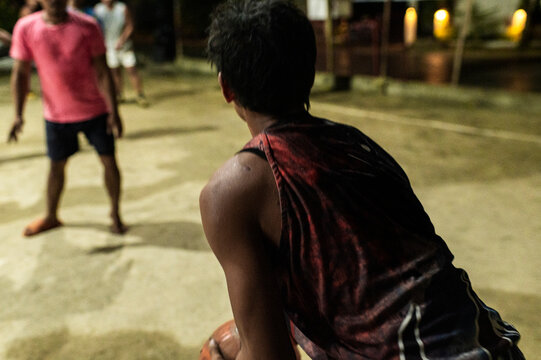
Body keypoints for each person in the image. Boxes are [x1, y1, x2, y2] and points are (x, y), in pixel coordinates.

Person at [200, 1, 524, 359]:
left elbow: (268, 356)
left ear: (226, 87)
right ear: (309, 72)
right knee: (240, 333)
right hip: (489, 346)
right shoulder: (357, 145)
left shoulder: (232, 189)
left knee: (225, 349)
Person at [9, 0, 126, 236]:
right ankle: (52, 216)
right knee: (56, 167)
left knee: (109, 162)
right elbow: (20, 73)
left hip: (95, 111)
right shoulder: (26, 27)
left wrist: (114, 112)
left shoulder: (88, 26)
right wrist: (18, 115)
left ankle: (115, 214)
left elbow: (102, 71)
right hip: (56, 115)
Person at [94, 0, 148, 107]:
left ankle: (140, 94)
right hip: (109, 47)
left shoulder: (122, 8)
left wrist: (122, 40)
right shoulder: (98, 10)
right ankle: (119, 94)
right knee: (115, 72)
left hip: (125, 47)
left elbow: (130, 26)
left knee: (132, 70)